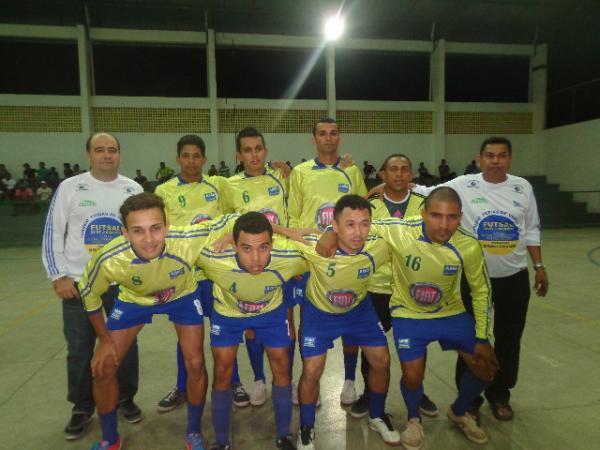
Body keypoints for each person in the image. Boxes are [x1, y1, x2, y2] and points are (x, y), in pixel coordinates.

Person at [319, 188, 498, 449]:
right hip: (408, 313)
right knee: (413, 375)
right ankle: (414, 420)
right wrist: (328, 233)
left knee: (486, 366)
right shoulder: (400, 230)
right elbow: (358, 223)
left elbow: (482, 292)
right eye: (436, 216)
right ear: (423, 214)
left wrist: (483, 336)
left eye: (451, 217)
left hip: (450, 312)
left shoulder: (468, 245)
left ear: (460, 218)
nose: (444, 224)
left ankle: (460, 411)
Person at [78, 193, 233, 450]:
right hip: (134, 301)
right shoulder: (109, 258)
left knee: (195, 363)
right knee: (104, 367)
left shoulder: (187, 239)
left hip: (182, 296)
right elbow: (88, 293)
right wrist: (104, 340)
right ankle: (110, 439)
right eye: (138, 231)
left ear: (167, 227)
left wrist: (233, 235)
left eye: (156, 229)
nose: (149, 240)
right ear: (125, 233)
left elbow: (237, 219)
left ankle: (193, 432)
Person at [430, 137, 549, 421]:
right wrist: (388, 186)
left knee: (508, 339)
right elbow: (424, 191)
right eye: (490, 155)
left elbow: (531, 229)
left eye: (502, 155)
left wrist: (539, 265)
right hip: (473, 280)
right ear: (479, 158)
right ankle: (468, 398)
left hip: (513, 278)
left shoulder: (522, 187)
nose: (495, 160)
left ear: (510, 158)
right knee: (470, 340)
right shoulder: (463, 184)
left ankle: (499, 394)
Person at [41, 132, 142, 441]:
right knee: (81, 348)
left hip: (121, 285)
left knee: (125, 345)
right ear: (89, 155)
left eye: (112, 150)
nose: (107, 155)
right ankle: (83, 406)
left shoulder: (132, 189)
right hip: (80, 286)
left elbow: (142, 237)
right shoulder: (70, 188)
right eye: (100, 150)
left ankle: (125, 397)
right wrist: (58, 276)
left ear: (120, 155)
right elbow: (53, 233)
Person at [154, 135, 250, 413]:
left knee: (225, 331)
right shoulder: (164, 190)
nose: (192, 161)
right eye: (186, 155)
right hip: (183, 277)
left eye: (197, 155)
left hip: (217, 273)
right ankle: (182, 387)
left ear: (205, 159)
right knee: (186, 337)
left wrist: (280, 170)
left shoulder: (219, 185)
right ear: (178, 159)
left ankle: (234, 382)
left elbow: (244, 201)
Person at [296, 195, 400, 450]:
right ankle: (306, 427)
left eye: (364, 224)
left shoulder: (380, 246)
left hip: (358, 311)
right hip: (319, 313)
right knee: (312, 369)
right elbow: (273, 231)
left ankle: (376, 415)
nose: (358, 232)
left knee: (381, 359)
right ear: (335, 225)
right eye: (350, 224)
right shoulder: (314, 246)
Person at [201, 212, 305, 450]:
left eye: (263, 247)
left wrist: (287, 231)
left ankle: (283, 435)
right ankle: (221, 441)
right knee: (222, 369)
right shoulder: (212, 256)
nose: (256, 258)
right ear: (234, 244)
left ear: (272, 245)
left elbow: (330, 244)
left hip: (270, 311)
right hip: (228, 314)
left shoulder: (288, 256)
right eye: (246, 248)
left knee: (281, 364)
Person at [350, 154, 438, 420]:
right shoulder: (369, 207)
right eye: (393, 170)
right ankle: (369, 393)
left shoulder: (425, 205)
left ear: (411, 175)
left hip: (411, 288)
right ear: (382, 175)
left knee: (416, 347)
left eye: (404, 169)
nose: (399, 174)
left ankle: (416, 391)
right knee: (372, 346)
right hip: (376, 288)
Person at [288, 117, 367, 406]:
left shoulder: (352, 171)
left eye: (333, 133)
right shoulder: (300, 172)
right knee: (309, 322)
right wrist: (299, 258)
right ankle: (311, 380)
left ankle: (349, 380)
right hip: (312, 259)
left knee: (350, 318)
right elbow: (293, 218)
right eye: (322, 134)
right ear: (314, 139)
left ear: (340, 137)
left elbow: (362, 214)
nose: (328, 138)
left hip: (347, 259)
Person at [221, 126, 292, 407]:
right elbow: (226, 223)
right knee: (251, 327)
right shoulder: (229, 185)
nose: (254, 155)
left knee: (287, 327)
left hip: (281, 263)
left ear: (266, 151)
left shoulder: (282, 176)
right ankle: (259, 380)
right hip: (247, 265)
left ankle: (286, 378)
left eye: (258, 149)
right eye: (247, 150)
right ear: (239, 155)